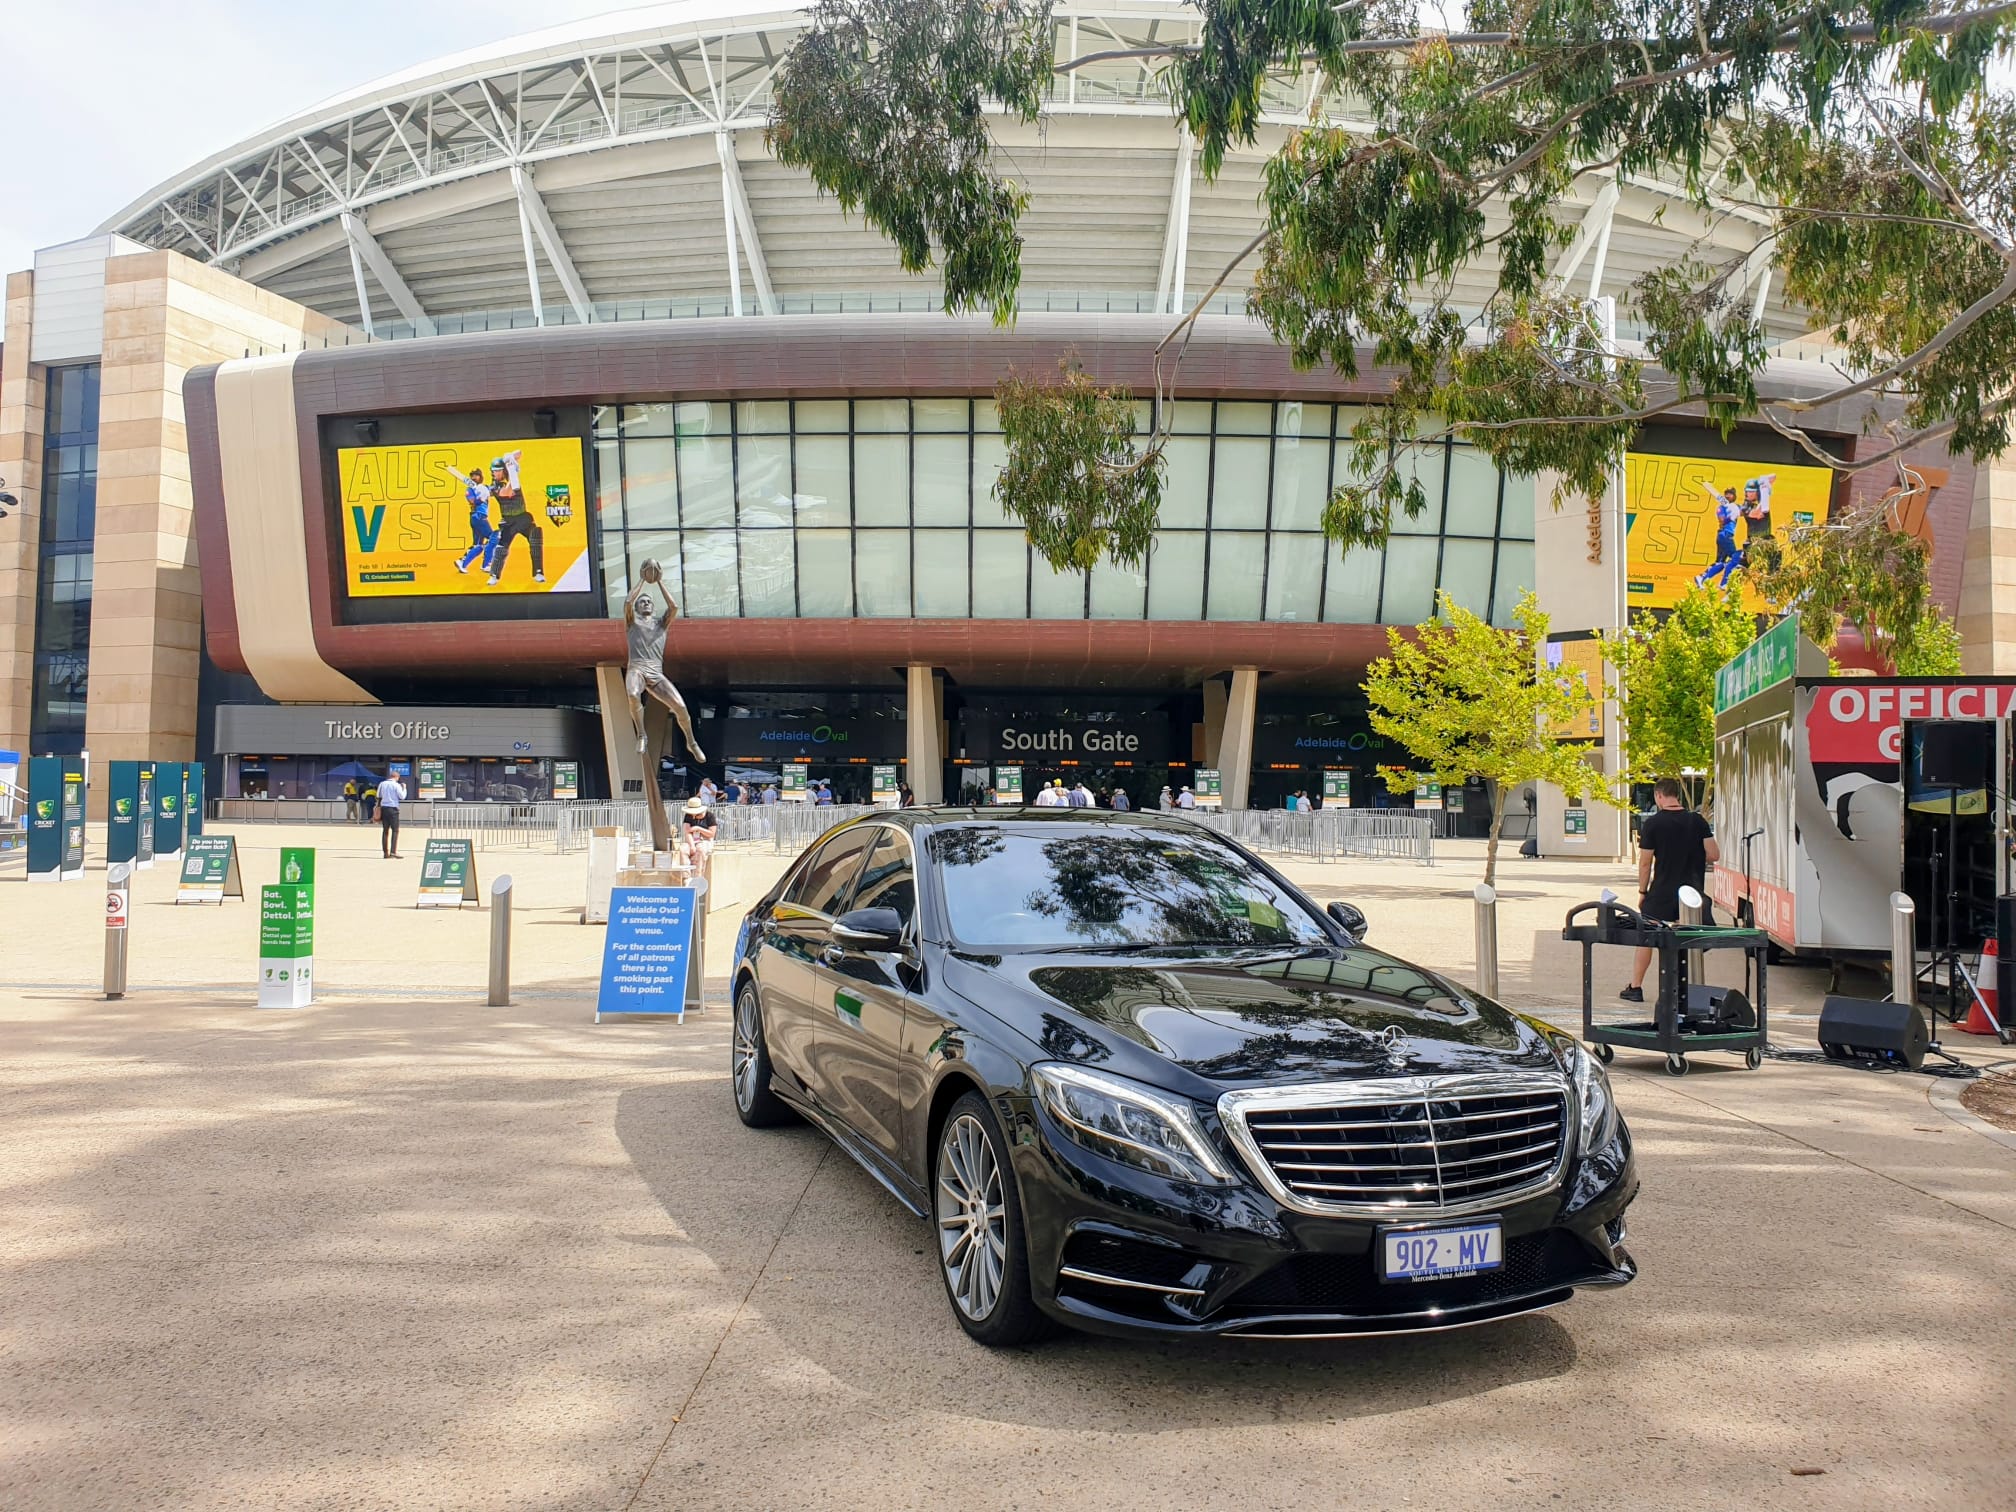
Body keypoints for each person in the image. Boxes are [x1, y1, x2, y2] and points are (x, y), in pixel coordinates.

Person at [1621, 778, 1721, 1002]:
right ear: (1677, 795)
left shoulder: (1654, 824)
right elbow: (1714, 855)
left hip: (1661, 894)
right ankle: (1688, 989)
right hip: (1692, 896)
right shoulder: (1697, 821)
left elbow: (1645, 862)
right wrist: (1691, 853)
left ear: (1658, 796)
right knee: (1688, 940)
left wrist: (1642, 891)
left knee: (1646, 936)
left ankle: (1635, 987)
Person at [623, 562, 707, 762]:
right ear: (637, 607)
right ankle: (642, 734)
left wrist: (659, 582)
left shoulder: (661, 624)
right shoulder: (631, 622)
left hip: (656, 673)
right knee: (633, 694)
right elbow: (627, 602)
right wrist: (643, 580)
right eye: (642, 602)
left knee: (681, 707)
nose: (645, 603)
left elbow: (674, 606)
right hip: (637, 668)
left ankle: (691, 742)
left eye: (648, 602)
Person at [484, 450, 546, 586]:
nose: (497, 473)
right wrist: (513, 471)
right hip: (508, 521)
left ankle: (538, 572)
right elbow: (508, 491)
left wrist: (510, 458)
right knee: (501, 548)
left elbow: (520, 452)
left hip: (523, 518)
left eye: (499, 470)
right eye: (495, 471)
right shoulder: (494, 487)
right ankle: (494, 575)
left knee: (536, 537)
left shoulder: (511, 476)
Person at [433, 459, 500, 576]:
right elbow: (472, 501)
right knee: (494, 538)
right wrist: (481, 498)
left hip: (477, 518)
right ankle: (486, 565)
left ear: (480, 477)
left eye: (476, 475)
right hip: (478, 517)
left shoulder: (483, 488)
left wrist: (495, 482)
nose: (474, 478)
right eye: (472, 476)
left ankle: (462, 563)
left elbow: (494, 491)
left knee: (478, 545)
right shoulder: (470, 489)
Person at [1694, 482, 1744, 589]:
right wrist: (1730, 517)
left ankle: (1701, 577)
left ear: (1734, 496)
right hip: (1725, 535)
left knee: (1720, 563)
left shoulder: (1734, 507)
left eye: (1730, 494)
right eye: (1726, 494)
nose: (1728, 495)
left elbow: (1746, 512)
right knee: (1736, 558)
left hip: (1724, 536)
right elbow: (1721, 520)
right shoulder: (1721, 508)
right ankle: (1724, 583)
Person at [679, 794, 718, 872]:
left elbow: (711, 834)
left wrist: (698, 828)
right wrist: (692, 845)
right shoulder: (688, 816)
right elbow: (687, 831)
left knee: (700, 850)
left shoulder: (710, 816)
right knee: (683, 849)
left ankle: (698, 875)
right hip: (692, 840)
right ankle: (686, 875)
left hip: (705, 840)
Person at [375, 770, 406, 859]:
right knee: (395, 830)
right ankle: (393, 851)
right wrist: (404, 788)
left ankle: (385, 852)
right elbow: (402, 796)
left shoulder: (382, 784)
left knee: (385, 830)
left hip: (384, 808)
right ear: (397, 777)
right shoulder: (396, 785)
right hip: (393, 808)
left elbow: (378, 795)